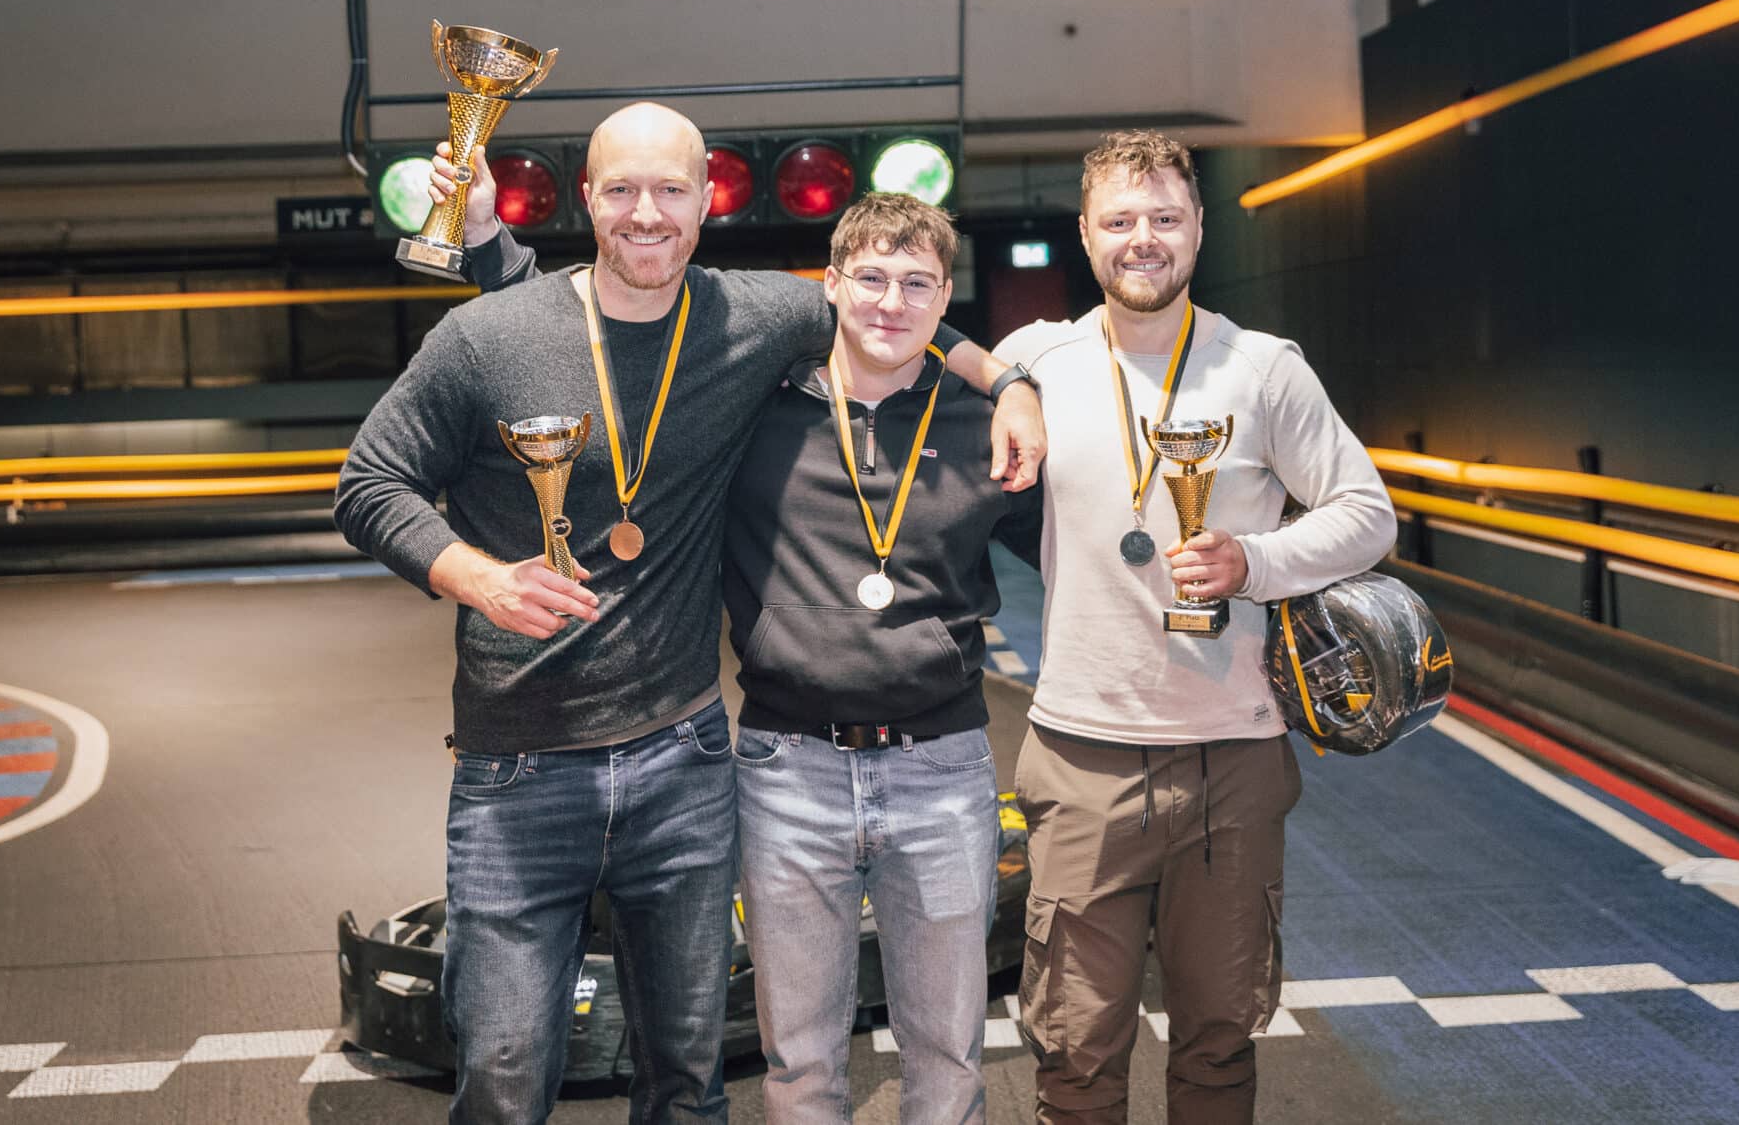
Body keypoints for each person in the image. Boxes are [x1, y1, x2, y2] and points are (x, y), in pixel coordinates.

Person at [335, 103, 1043, 1124]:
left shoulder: (753, 317)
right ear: (585, 199)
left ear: (706, 202)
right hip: (517, 770)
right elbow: (368, 482)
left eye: (670, 189)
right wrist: (476, 577)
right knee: (502, 1075)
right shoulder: (486, 335)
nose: (646, 213)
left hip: (683, 762)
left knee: (686, 1081)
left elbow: (893, 308)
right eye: (621, 189)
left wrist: (1010, 382)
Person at [994, 130, 1396, 1124]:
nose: (1144, 238)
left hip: (1231, 758)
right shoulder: (1039, 358)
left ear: (1199, 229)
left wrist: (1251, 561)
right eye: (1121, 220)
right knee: (1074, 1055)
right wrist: (1006, 386)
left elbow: (1367, 513)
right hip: (1082, 754)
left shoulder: (1262, 369)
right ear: (1085, 234)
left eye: (1165, 218)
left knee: (1219, 1043)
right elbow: (952, 355)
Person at [722, 190, 1042, 1123]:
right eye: (870, 277)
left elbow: (1083, 549)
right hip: (788, 769)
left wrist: (1014, 383)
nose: (891, 302)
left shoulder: (986, 423)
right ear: (829, 284)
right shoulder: (754, 410)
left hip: (942, 772)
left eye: (917, 283)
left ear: (946, 298)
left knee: (947, 1056)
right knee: (799, 1061)